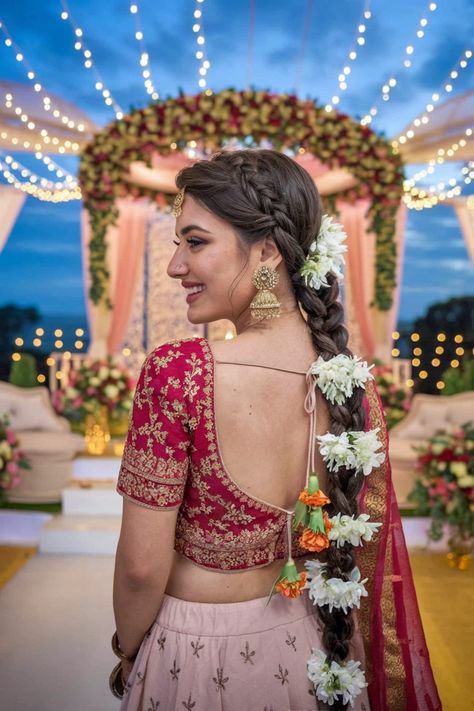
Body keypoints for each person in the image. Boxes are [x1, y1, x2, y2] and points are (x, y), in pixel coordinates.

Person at [111, 149, 441, 710]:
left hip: (197, 653)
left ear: (266, 251)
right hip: (313, 652)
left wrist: (127, 648)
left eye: (195, 242)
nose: (174, 266)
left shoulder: (180, 372)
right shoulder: (347, 382)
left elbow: (142, 569)